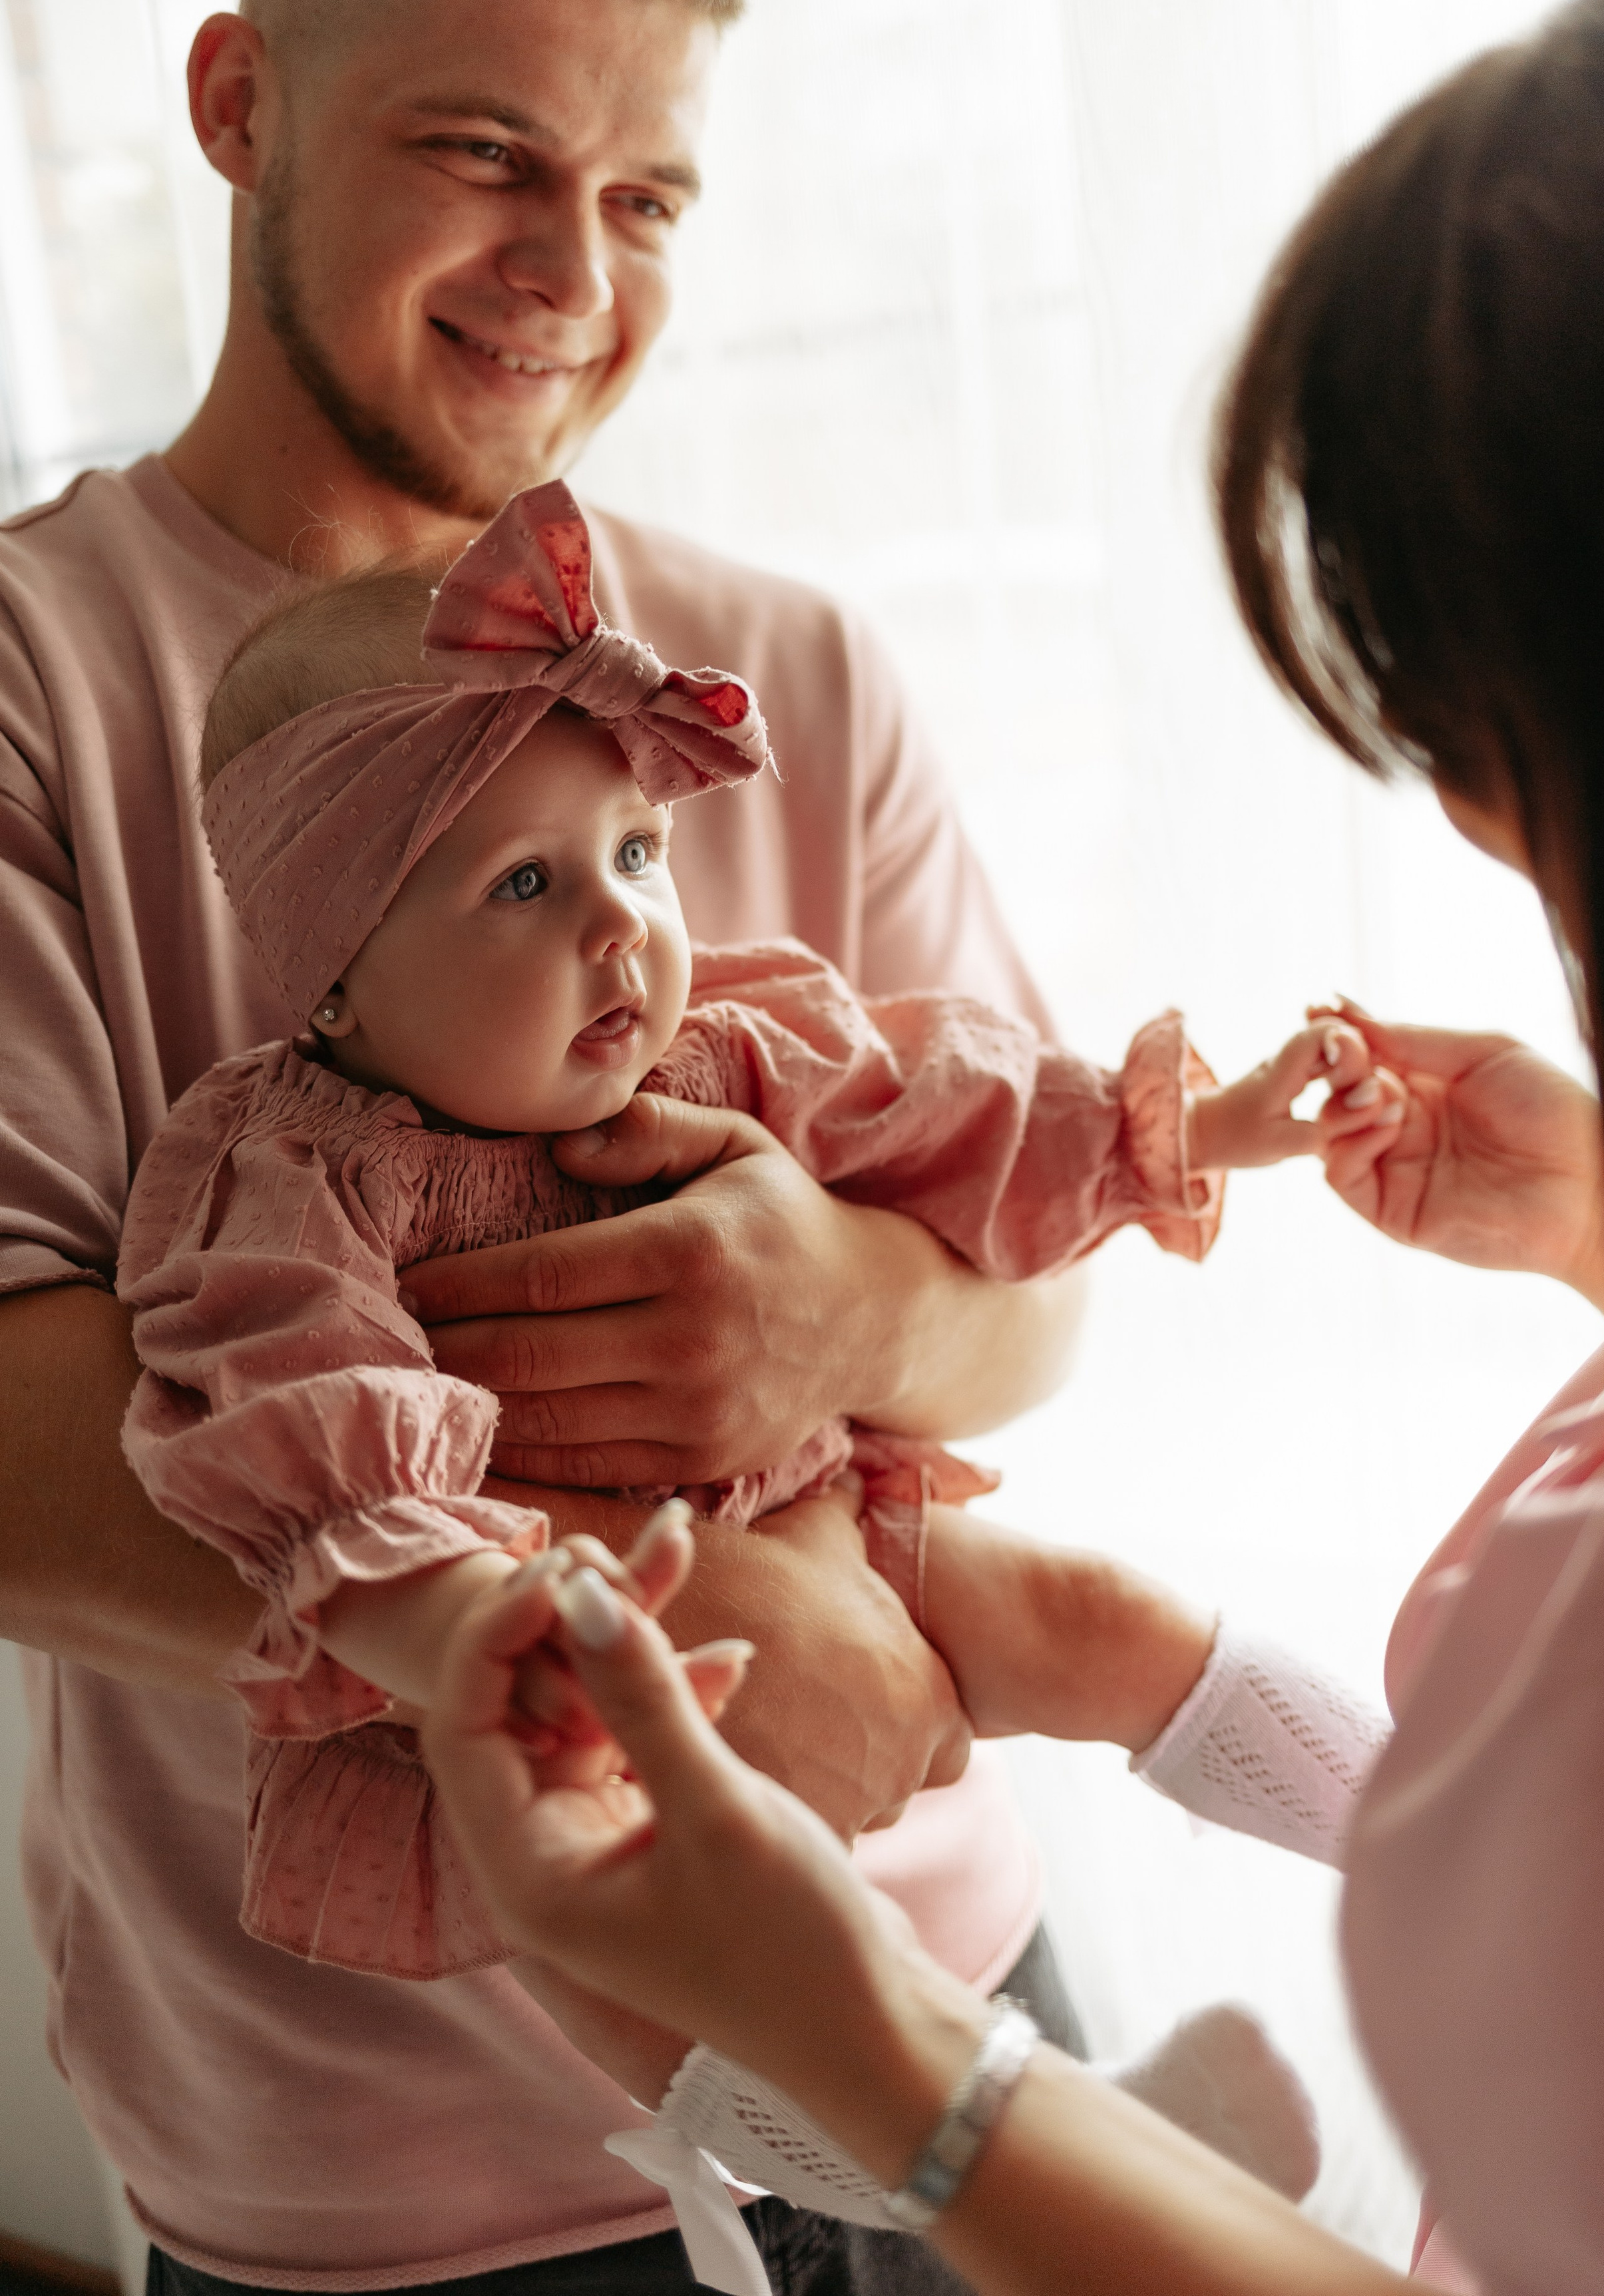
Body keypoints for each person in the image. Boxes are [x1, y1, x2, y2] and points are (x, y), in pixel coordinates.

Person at [415, 0, 1604, 2296]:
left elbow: (1003, 1172)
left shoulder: (781, 818)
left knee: (1097, 1623)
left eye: (1494, 734)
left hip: (860, 1638)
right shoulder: (271, 1137)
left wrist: (872, 1300)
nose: (1466, 827)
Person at [0, 0, 1098, 2290]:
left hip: (954, 2002)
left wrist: (862, 1304)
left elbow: (1038, 1286)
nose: (570, 275)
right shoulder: (38, 685)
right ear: (237, 102)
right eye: (486, 157)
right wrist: (700, 1605)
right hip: (406, 2178)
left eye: (646, 198)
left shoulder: (795, 666)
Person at [124, 475, 1396, 1986]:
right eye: (524, 883)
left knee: (1098, 1618)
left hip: (829, 1524)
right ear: (333, 975)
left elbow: (949, 1105)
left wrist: (1214, 1126)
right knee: (644, 1943)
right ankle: (889, 2143)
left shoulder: (730, 1043)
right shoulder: (300, 1182)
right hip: (572, 1660)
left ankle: (1433, 1837)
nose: (621, 927)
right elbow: (312, 1436)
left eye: (636, 853)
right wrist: (479, 1626)